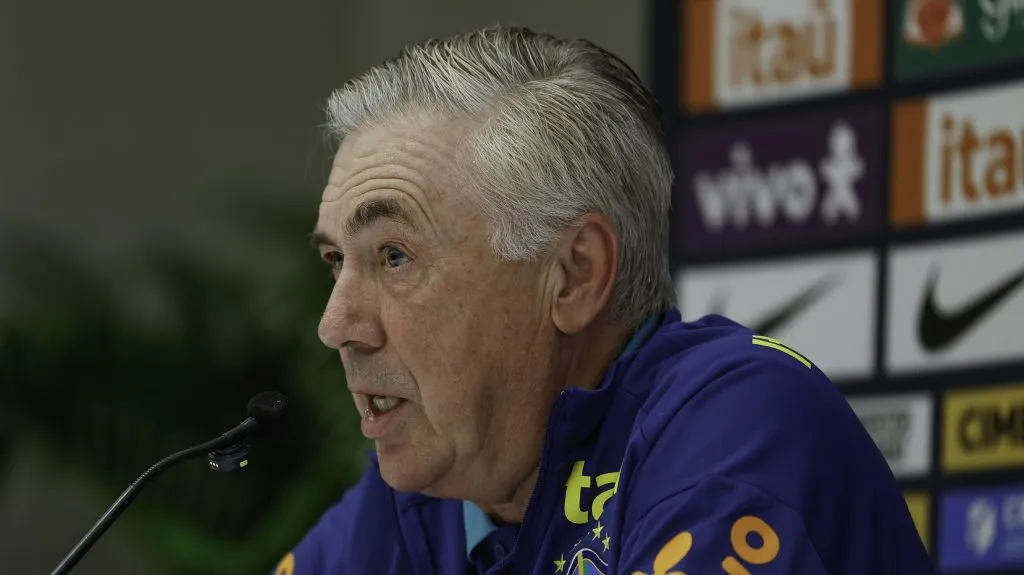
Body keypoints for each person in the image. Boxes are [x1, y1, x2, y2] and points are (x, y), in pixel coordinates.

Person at [275, 26, 933, 575]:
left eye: (394, 256)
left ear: (575, 274)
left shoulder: (740, 427)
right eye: (337, 260)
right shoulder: (427, 494)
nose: (336, 325)